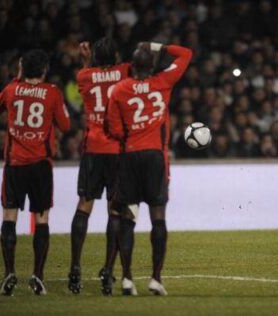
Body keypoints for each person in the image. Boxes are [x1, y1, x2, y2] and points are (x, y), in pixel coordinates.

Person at [106, 42, 192, 295]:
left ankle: (127, 279)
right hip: (155, 158)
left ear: (131, 66)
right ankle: (155, 278)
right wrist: (157, 45)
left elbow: (114, 129)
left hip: (131, 157)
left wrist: (132, 134)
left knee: (128, 218)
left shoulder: (119, 89)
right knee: (158, 217)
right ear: (152, 65)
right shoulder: (163, 82)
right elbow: (186, 53)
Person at [0, 49, 70, 295]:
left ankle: (9, 275)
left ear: (22, 69)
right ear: (45, 69)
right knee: (41, 219)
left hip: (15, 164)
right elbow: (66, 125)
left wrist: (17, 80)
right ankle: (38, 276)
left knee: (9, 217)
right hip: (40, 166)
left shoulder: (11, 89)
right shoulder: (52, 93)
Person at [67, 38, 131, 295]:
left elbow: (93, 76)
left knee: (84, 207)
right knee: (115, 211)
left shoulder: (83, 76)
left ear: (94, 58)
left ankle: (74, 267)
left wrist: (86, 61)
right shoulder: (125, 70)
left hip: (93, 149)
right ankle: (107, 271)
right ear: (115, 55)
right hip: (117, 150)